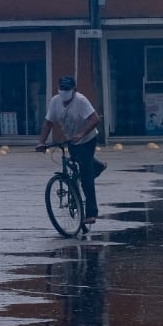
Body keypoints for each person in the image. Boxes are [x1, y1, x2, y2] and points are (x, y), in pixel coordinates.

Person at [35, 75, 104, 224]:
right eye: (62, 89)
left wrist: (81, 134)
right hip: (71, 140)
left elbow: (95, 119)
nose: (64, 92)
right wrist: (41, 142)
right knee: (76, 163)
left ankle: (91, 212)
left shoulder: (81, 100)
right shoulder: (55, 101)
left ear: (74, 90)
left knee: (86, 175)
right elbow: (48, 123)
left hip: (87, 139)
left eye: (67, 89)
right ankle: (96, 166)